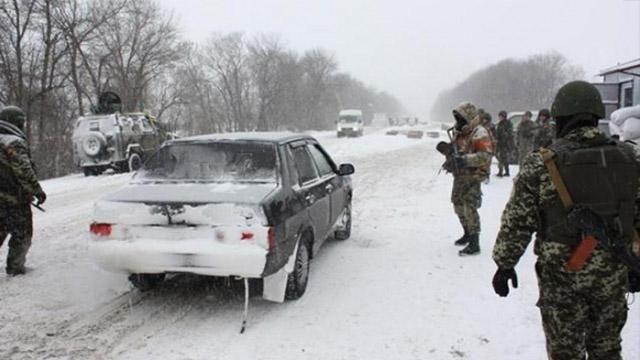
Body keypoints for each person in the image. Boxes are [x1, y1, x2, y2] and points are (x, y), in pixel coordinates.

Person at [491, 81, 640, 359]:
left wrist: (505, 264)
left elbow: (518, 221)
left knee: (564, 352)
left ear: (561, 118)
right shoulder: (632, 157)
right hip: (613, 273)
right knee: (607, 349)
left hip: (563, 277)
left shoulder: (541, 164)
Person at [0, 105, 46, 276]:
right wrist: (37, 191)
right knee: (23, 234)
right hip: (13, 200)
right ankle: (15, 267)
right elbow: (23, 171)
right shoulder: (13, 142)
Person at [444, 102, 493, 256]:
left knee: (469, 207)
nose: (458, 120)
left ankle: (474, 241)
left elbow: (485, 156)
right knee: (457, 204)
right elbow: (457, 150)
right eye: (457, 117)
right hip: (460, 176)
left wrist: (465, 160)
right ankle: (466, 232)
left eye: (461, 117)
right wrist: (450, 157)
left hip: (473, 176)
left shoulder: (479, 133)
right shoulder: (460, 132)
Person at [495, 110, 514, 177]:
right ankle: (504, 171)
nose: (500, 118)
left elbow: (509, 133)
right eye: (499, 116)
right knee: (500, 157)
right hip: (499, 143)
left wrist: (504, 137)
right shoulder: (500, 123)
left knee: (503, 158)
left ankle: (502, 171)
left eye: (501, 116)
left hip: (505, 144)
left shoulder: (508, 123)